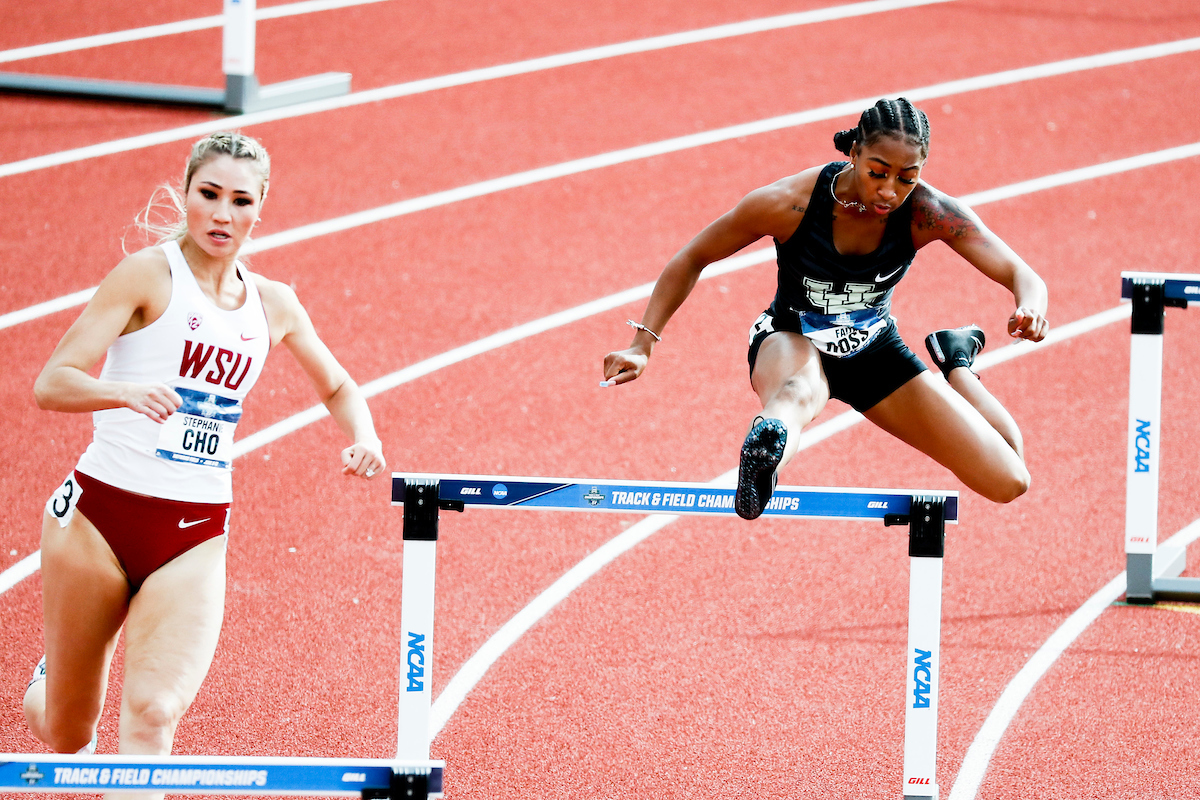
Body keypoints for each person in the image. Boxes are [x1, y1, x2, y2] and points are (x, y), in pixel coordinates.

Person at [23, 131, 385, 786]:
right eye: (209, 194)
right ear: (185, 195)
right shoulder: (148, 275)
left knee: (155, 711)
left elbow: (337, 384)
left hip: (192, 534)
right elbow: (52, 383)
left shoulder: (274, 304)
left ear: (260, 210)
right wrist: (124, 392)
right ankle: (53, 673)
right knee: (67, 731)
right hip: (97, 522)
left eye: (239, 200)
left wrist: (365, 436)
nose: (222, 214)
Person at [602, 97, 1048, 520]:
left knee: (1009, 478)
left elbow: (1022, 273)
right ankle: (765, 462)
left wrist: (1031, 305)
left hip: (874, 354)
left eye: (907, 178)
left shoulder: (929, 213)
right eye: (878, 172)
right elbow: (692, 257)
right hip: (790, 338)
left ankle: (957, 364)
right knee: (796, 393)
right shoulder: (790, 203)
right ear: (854, 153)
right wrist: (643, 344)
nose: (890, 191)